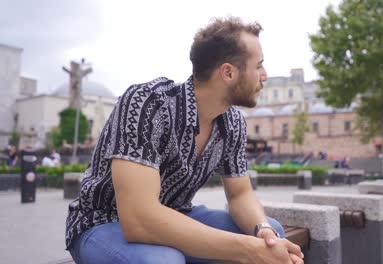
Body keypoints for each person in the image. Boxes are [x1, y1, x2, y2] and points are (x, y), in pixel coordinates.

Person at [65, 17, 304, 264]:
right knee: (164, 261)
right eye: (259, 66)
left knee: (272, 233)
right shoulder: (148, 103)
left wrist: (263, 231)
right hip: (103, 222)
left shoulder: (233, 122)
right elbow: (138, 220)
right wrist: (248, 249)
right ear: (228, 72)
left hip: (176, 213)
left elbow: (240, 195)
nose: (264, 76)